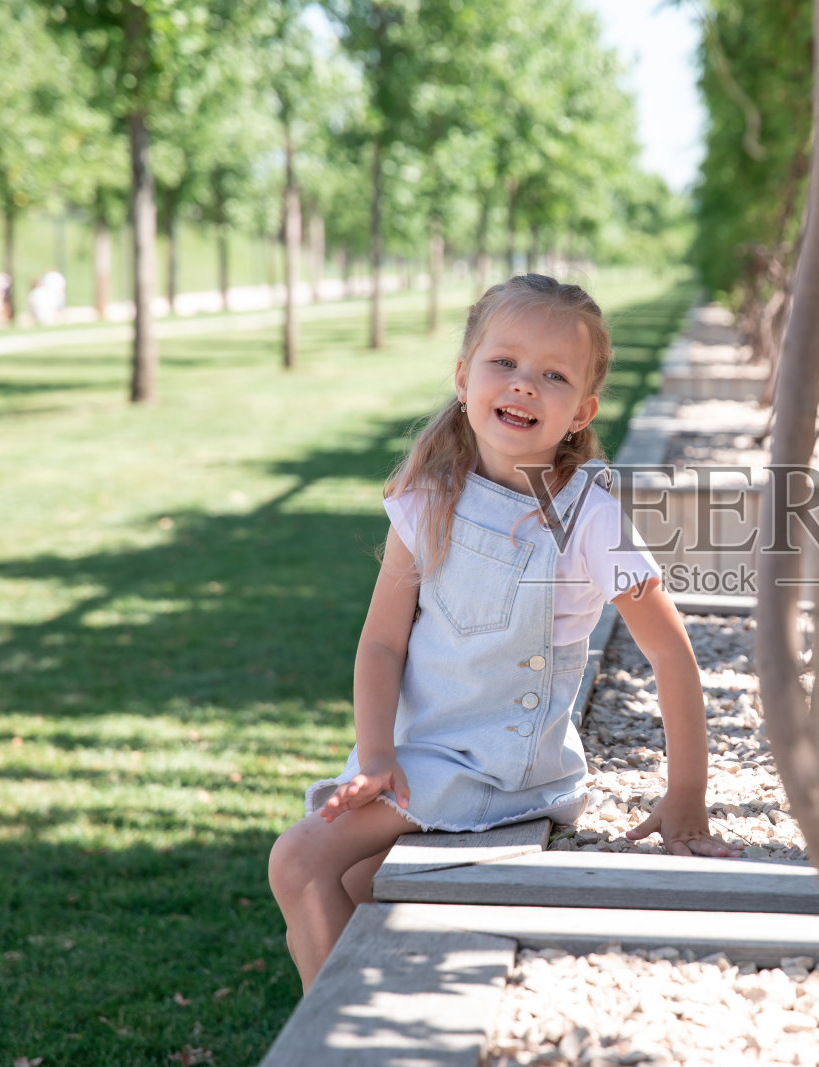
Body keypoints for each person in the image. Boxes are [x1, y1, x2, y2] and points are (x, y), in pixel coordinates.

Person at [268, 274, 740, 992]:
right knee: (358, 882)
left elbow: (670, 651)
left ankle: (345, 1042)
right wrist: (375, 756)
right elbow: (382, 644)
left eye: (553, 375)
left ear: (581, 410)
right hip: (422, 749)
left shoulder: (588, 516)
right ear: (463, 378)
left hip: (498, 765)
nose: (524, 385)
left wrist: (688, 795)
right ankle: (361, 1016)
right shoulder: (429, 498)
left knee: (299, 860)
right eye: (505, 363)